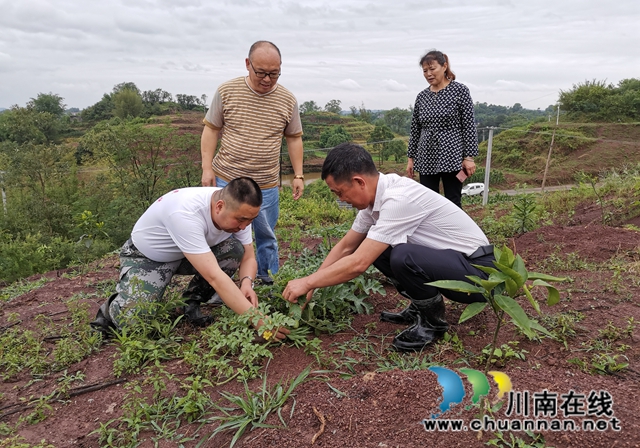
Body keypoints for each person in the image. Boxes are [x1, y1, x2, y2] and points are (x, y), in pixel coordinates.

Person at [282, 143, 494, 351]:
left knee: (402, 255)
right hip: (455, 264)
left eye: (340, 193)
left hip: (480, 275)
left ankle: (432, 324)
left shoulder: (399, 199)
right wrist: (311, 286)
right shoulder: (376, 200)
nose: (342, 200)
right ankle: (420, 308)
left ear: (359, 182)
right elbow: (347, 246)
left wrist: (307, 282)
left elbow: (358, 263)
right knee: (380, 250)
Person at [91, 177, 288, 340]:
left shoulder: (237, 212)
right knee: (134, 323)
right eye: (241, 220)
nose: (244, 226)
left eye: (250, 220)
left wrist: (246, 283)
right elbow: (215, 277)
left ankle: (188, 304)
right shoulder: (185, 213)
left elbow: (248, 256)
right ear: (219, 206)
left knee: (234, 250)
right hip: (148, 257)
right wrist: (258, 320)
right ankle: (112, 310)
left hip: (188, 253)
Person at [201, 40, 304, 285]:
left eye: (274, 74)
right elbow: (211, 130)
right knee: (223, 234)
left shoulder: (287, 100)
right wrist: (207, 168)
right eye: (261, 72)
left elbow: (294, 138)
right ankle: (220, 286)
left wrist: (298, 174)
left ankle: (267, 281)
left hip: (266, 183)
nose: (267, 79)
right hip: (227, 178)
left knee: (266, 234)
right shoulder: (227, 91)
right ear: (248, 64)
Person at [406, 49, 478, 208]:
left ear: (444, 66)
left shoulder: (459, 91)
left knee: (453, 201)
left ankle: (455, 233)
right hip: (426, 156)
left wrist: (469, 157)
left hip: (451, 154)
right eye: (425, 71)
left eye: (432, 69)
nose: (428, 74)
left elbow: (468, 125)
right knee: (427, 202)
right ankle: (431, 233)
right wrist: (411, 158)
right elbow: (416, 129)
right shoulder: (422, 97)